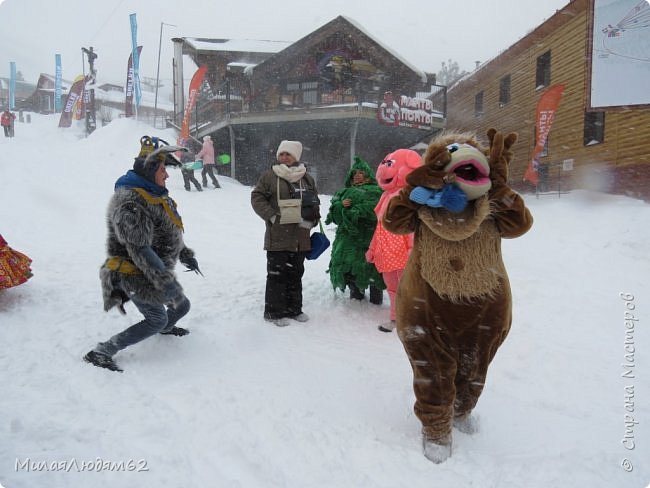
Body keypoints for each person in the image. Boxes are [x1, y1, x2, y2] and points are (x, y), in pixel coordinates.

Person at [383, 130, 533, 463]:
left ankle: (461, 410)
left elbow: (520, 224)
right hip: (427, 306)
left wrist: (500, 186)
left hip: (485, 308)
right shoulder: (421, 202)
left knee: (474, 369)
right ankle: (436, 428)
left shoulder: (491, 202)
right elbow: (393, 221)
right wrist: (415, 186)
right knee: (432, 369)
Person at [83, 136, 201, 372]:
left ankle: (165, 328)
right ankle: (102, 350)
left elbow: (169, 231)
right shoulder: (130, 202)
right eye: (162, 169)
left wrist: (184, 253)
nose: (166, 175)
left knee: (181, 307)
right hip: (133, 273)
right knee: (157, 319)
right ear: (149, 169)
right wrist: (164, 282)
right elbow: (139, 248)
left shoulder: (156, 195)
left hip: (155, 271)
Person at [251, 140, 320, 327]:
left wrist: (313, 219)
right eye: (282, 154)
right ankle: (274, 312)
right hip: (278, 235)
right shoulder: (269, 176)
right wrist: (272, 217)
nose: (284, 157)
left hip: (301, 235)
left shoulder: (306, 178)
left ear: (296, 156)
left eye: (288, 154)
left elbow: (315, 201)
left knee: (296, 273)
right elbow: (257, 198)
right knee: (276, 275)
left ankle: (294, 309)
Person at [366, 149, 422, 332]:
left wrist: (412, 248)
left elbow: (412, 227)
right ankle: (396, 318)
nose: (383, 170)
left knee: (409, 287)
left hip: (402, 251)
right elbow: (379, 227)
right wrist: (372, 249)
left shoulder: (409, 197)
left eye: (391, 165)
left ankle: (413, 321)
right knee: (392, 287)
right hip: (386, 251)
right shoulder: (385, 197)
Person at [325, 156, 384, 303]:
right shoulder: (343, 193)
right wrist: (340, 206)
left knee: (372, 267)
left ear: (368, 174)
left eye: (361, 172)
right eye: (354, 173)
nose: (357, 175)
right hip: (347, 240)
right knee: (351, 266)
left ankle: (376, 297)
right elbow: (333, 216)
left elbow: (374, 212)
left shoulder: (377, 191)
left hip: (368, 237)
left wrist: (352, 211)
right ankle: (356, 295)